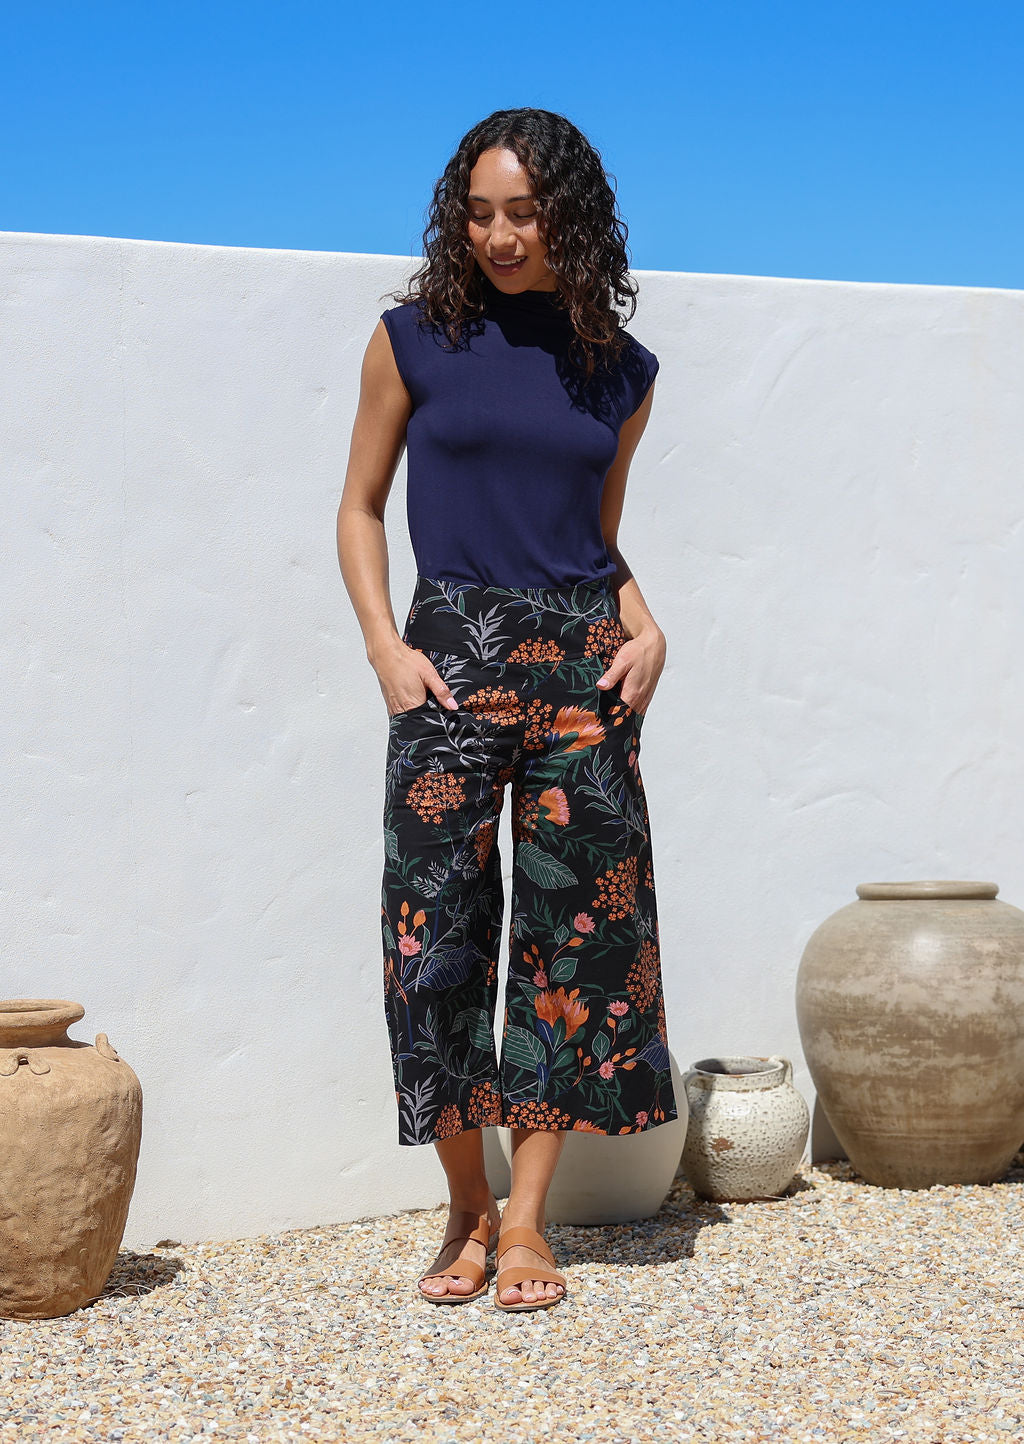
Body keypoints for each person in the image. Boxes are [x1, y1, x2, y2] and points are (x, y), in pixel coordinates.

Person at [336, 107, 678, 1312]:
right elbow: (361, 507)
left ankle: (529, 1220)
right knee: (431, 938)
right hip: (448, 658)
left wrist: (652, 628)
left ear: (568, 214)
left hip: (583, 670)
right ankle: (465, 1206)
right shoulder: (412, 341)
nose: (498, 234)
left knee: (572, 942)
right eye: (478, 212)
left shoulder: (619, 372)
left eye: (523, 211)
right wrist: (385, 643)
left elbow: (596, 540)